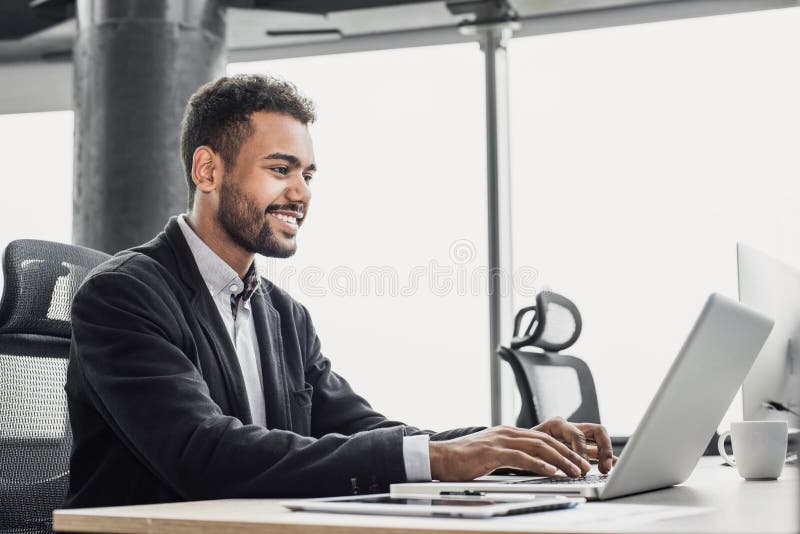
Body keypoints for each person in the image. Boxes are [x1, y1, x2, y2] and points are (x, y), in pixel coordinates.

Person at [64, 74, 615, 508]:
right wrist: (443, 458)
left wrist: (505, 445)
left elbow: (362, 430)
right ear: (207, 170)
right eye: (280, 169)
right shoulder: (122, 296)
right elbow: (204, 454)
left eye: (308, 174)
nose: (300, 193)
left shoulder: (284, 316)